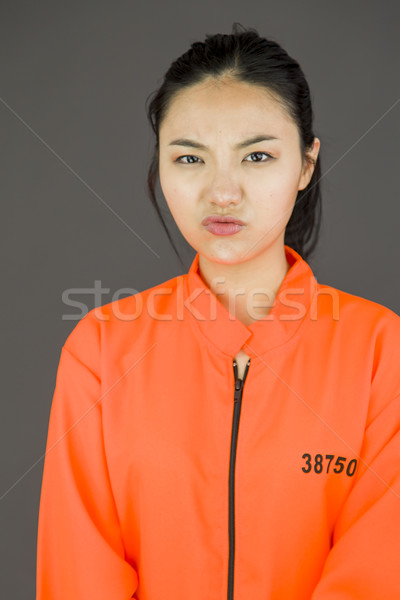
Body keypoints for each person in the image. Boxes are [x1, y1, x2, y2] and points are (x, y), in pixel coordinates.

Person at [36, 22, 400, 599]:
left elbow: (380, 573)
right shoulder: (101, 350)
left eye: (257, 155)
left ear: (306, 165)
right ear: (160, 164)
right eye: (190, 159)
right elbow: (80, 575)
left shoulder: (383, 351)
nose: (222, 192)